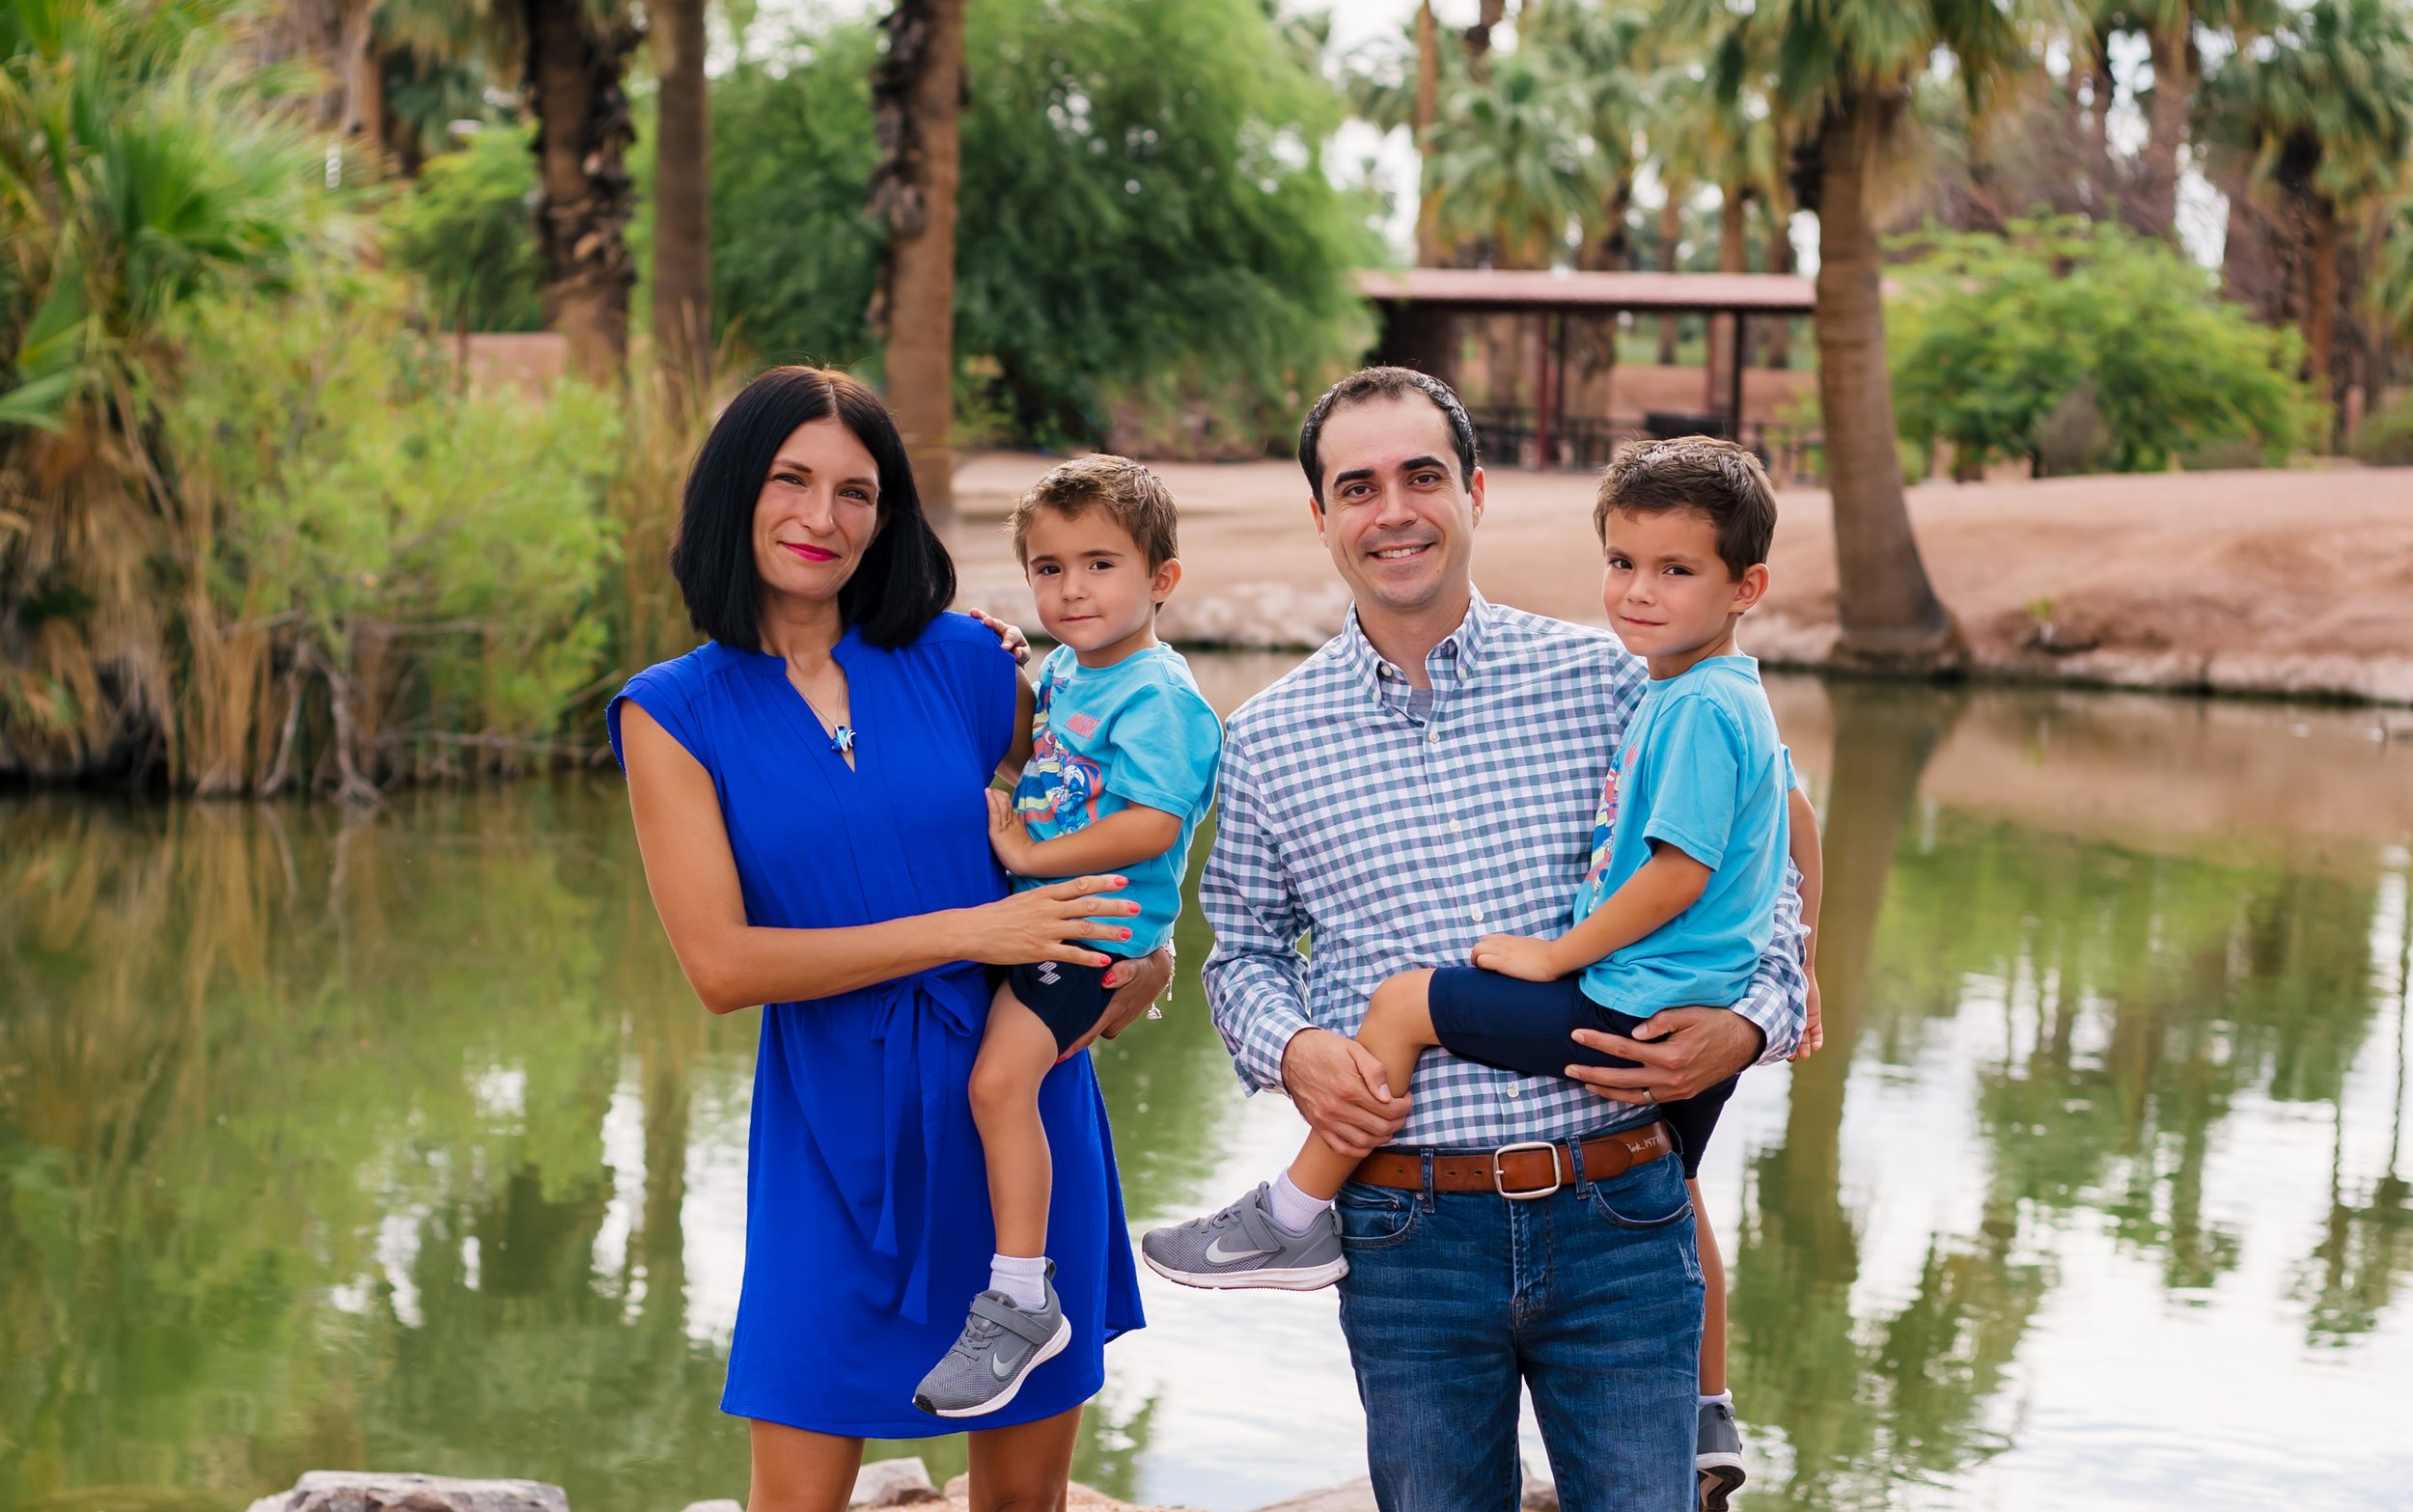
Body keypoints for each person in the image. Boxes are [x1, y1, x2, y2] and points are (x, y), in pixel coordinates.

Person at [1144, 435, 1821, 1510]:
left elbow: (1769, 848)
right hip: (1409, 1233)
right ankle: (1293, 1214)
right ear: (1321, 514)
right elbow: (1244, 959)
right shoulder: (1264, 738)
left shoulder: (1622, 676)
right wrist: (1295, 1047)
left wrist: (1755, 1019)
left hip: (1617, 1213)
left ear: (1474, 493)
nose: (1393, 510)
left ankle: (1699, 1411)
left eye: (1422, 476)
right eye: (1356, 487)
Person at [609, 366, 1170, 1512]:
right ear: (734, 492)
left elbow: (1116, 802)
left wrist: (1143, 955)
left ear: (888, 513)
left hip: (1016, 1102)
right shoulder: (670, 711)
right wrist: (976, 924)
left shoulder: (966, 663)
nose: (823, 518)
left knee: (1021, 1503)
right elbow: (721, 967)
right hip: (830, 1138)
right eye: (791, 480)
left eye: (856, 491)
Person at [915, 455, 1222, 1417]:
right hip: (1057, 919)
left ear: (1160, 580)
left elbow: (1151, 825)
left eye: (1099, 564)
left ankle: (1019, 1295)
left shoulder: (1159, 697)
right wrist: (1006, 664)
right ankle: (1017, 1286)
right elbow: (1045, 764)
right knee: (1002, 1083)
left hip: (1093, 932)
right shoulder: (1072, 675)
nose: (1071, 588)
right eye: (1049, 569)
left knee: (998, 1082)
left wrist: (1026, 856)